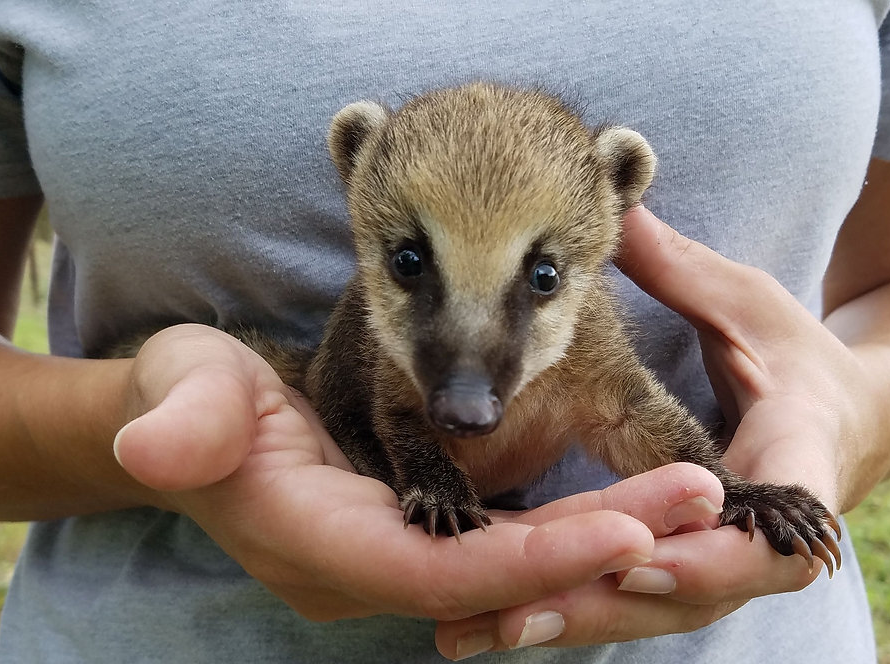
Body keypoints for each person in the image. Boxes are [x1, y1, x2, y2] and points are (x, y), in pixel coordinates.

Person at [0, 2, 887, 662]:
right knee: (368, 388)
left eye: (540, 282)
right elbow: (390, 409)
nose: (465, 382)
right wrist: (137, 425)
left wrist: (769, 470)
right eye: (412, 271)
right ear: (357, 167)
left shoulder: (589, 348)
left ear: (615, 205)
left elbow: (631, 418)